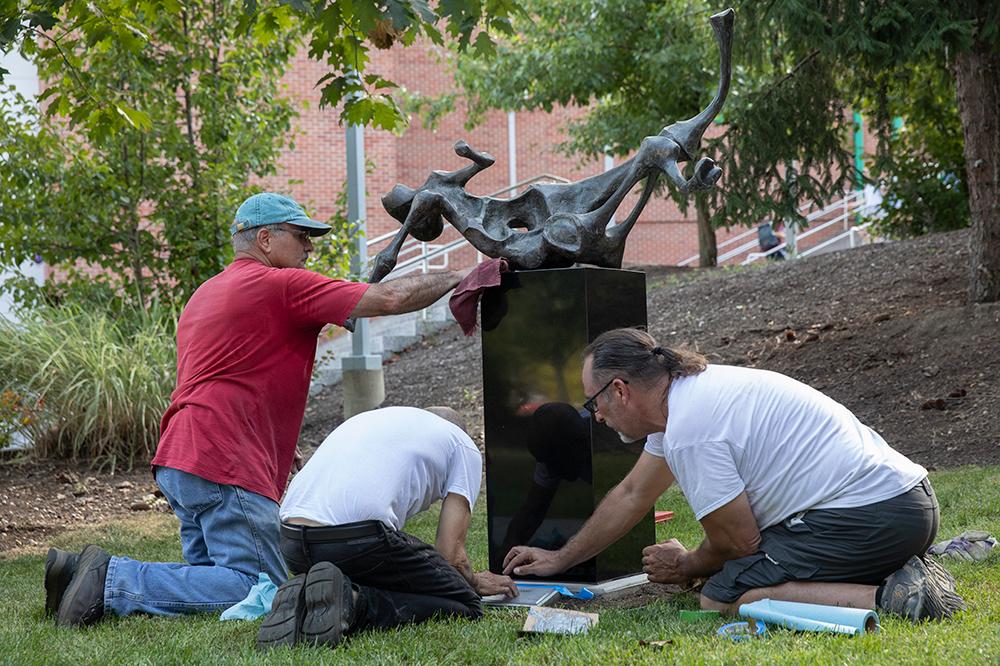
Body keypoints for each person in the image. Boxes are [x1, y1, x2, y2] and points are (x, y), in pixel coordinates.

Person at [46, 192, 480, 627]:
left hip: (181, 455)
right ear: (266, 239)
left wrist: (274, 445)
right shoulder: (284, 285)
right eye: (302, 236)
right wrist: (460, 273)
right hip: (225, 460)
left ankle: (72, 574)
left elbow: (224, 374)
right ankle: (110, 580)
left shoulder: (205, 294)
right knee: (257, 589)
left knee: (209, 584)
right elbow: (388, 299)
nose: (309, 248)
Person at [503, 328, 964, 622]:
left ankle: (894, 600)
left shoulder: (691, 429)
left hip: (874, 515)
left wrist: (685, 566)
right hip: (901, 503)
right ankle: (898, 567)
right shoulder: (684, 400)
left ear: (619, 390)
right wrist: (561, 559)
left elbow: (736, 544)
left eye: (593, 402)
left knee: (723, 594)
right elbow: (630, 495)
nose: (596, 415)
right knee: (730, 576)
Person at [258, 406, 517, 649]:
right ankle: (353, 601)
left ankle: (304, 599)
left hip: (292, 544)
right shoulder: (462, 445)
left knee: (387, 571)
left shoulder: (372, 421)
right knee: (465, 602)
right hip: (352, 541)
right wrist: (473, 582)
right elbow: (451, 556)